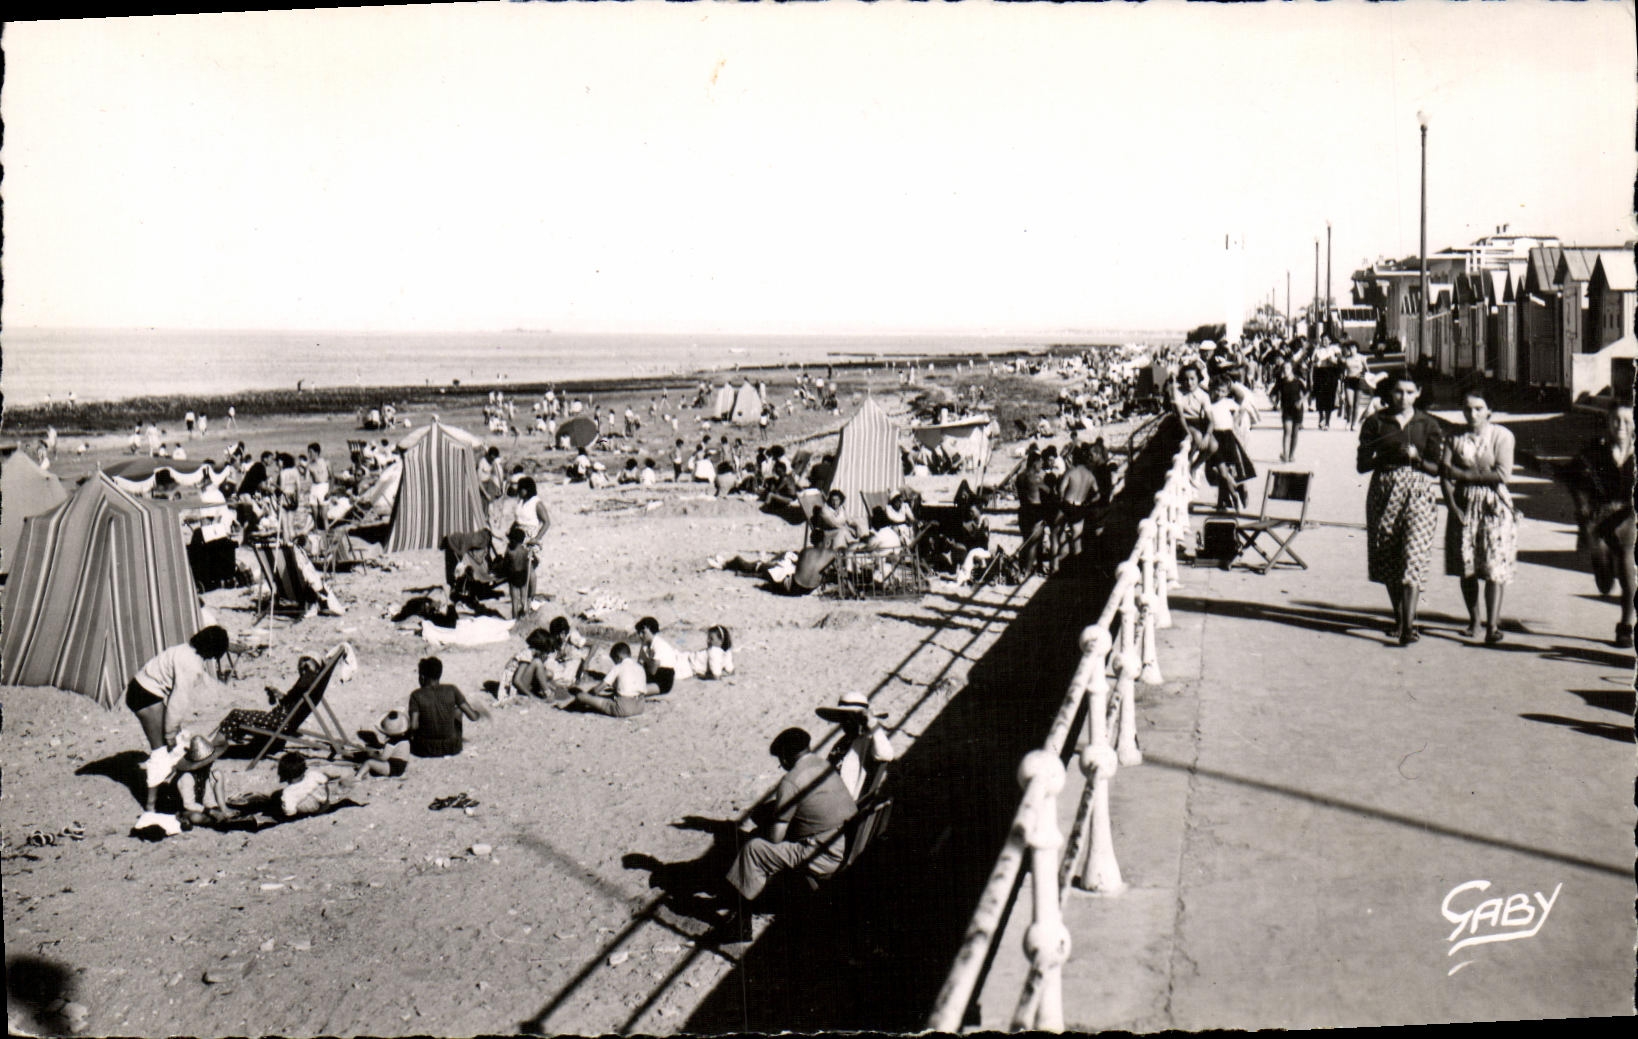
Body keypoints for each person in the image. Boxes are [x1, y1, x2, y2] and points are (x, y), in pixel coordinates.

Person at [713, 728, 857, 936]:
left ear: (785, 757)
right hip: (848, 840)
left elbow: (775, 837)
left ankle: (741, 924)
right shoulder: (824, 766)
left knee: (753, 849)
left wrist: (769, 821)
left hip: (825, 856)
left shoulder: (791, 781)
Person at [1357, 370, 1444, 646]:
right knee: (1389, 556)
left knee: (1412, 558)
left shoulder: (1428, 424)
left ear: (1418, 393)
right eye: (1398, 392)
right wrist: (1384, 455)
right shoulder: (1375, 422)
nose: (1403, 397)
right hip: (1384, 488)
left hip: (1418, 492)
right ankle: (1400, 617)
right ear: (1389, 393)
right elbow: (1361, 464)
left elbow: (1435, 469)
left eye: (1409, 392)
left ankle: (1408, 627)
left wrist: (1417, 458)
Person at [1438, 389, 1518, 645]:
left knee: (1495, 565)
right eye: (1467, 408)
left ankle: (1493, 625)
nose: (1472, 414)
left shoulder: (1502, 436)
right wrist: (1453, 507)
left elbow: (1502, 474)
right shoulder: (1454, 437)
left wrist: (1465, 475)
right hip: (1463, 505)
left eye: (1478, 408)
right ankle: (1474, 621)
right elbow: (1445, 474)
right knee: (1467, 566)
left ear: (1489, 411)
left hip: (1494, 506)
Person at [1558, 402, 1636, 648]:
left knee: (1627, 569)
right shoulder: (1595, 450)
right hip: (1599, 517)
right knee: (1604, 584)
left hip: (1628, 517)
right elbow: (1571, 478)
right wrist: (1582, 506)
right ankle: (1602, 567)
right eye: (1615, 420)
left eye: (1626, 420)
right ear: (1607, 422)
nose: (1620, 425)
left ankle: (1626, 624)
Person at [127, 626, 232, 753]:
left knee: (170, 738)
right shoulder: (191, 665)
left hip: (139, 687)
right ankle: (159, 770)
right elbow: (178, 702)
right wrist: (170, 735)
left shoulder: (185, 649)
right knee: (161, 749)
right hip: (145, 695)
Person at [817, 691, 895, 801]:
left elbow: (886, 754)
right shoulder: (843, 741)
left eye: (849, 718)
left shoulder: (867, 740)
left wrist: (872, 723)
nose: (845, 722)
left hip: (842, 802)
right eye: (843, 718)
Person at [407, 656, 484, 757]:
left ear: (422, 677)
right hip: (452, 747)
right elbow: (473, 717)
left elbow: (414, 726)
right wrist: (479, 713)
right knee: (458, 711)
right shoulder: (451, 689)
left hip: (425, 749)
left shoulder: (416, 695)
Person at [1206, 377, 1256, 511]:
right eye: (1217, 390)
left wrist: (1236, 420)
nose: (1219, 394)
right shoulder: (1207, 403)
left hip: (1227, 437)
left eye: (1222, 391)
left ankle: (1223, 502)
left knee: (1226, 470)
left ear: (1227, 392)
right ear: (1211, 389)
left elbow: (1242, 402)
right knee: (1221, 472)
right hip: (1214, 437)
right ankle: (1236, 490)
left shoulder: (1228, 402)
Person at [561, 641, 647, 717]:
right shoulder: (640, 668)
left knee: (581, 696)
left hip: (624, 708)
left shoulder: (618, 667)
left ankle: (570, 706)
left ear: (618, 658)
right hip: (640, 706)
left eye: (614, 661)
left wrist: (588, 695)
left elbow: (597, 690)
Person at [709, 545, 836, 596]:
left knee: (760, 566)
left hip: (790, 585)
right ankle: (737, 570)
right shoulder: (829, 556)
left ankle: (727, 564)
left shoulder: (807, 552)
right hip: (806, 590)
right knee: (766, 569)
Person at [1272, 357, 1309, 464]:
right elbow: (1271, 395)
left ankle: (1291, 454)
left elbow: (1307, 392)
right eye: (1284, 368)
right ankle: (1286, 455)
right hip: (1286, 410)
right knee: (1287, 431)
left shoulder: (1298, 382)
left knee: (1295, 433)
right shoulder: (1281, 382)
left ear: (1291, 369)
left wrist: (1301, 401)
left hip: (1297, 409)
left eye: (1287, 368)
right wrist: (1276, 405)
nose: (1285, 370)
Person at [634, 616, 681, 694]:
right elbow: (639, 662)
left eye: (643, 632)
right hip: (651, 674)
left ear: (652, 631)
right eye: (639, 632)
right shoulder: (645, 644)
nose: (640, 635)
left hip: (663, 678)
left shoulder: (659, 645)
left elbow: (653, 670)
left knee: (636, 690)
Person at [1341, 342, 1369, 431]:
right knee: (1350, 403)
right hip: (1349, 380)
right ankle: (1348, 421)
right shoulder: (1346, 359)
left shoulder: (1362, 358)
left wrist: (1362, 375)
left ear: (1357, 349)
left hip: (1359, 381)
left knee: (1356, 404)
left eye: (1354, 348)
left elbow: (1367, 370)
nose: (1352, 350)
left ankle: (1354, 423)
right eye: (1350, 348)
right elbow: (1343, 371)